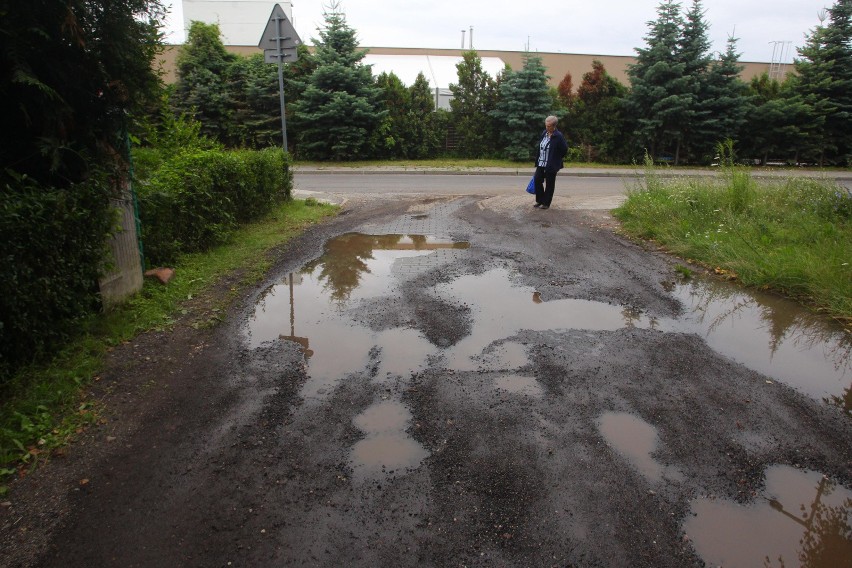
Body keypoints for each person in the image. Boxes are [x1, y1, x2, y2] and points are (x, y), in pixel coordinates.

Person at [532, 115, 569, 210]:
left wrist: (556, 159)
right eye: (546, 125)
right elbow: (541, 146)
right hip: (541, 162)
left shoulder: (558, 136)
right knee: (537, 179)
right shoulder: (544, 133)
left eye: (549, 126)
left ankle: (546, 203)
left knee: (549, 184)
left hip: (551, 164)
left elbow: (564, 149)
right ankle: (540, 200)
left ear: (554, 126)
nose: (546, 127)